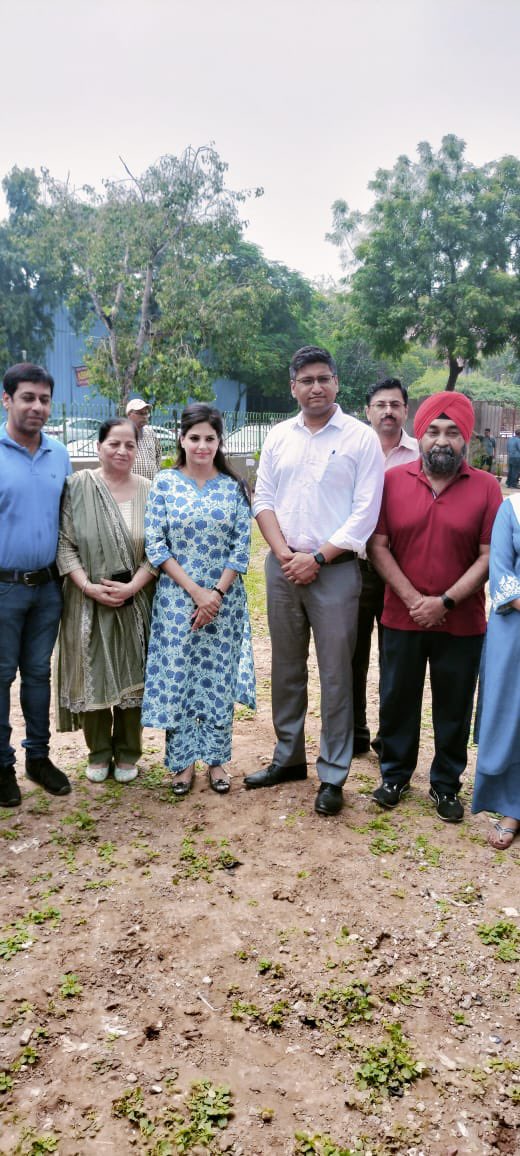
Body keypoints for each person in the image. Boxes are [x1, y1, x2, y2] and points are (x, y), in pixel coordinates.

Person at [244, 345, 384, 816]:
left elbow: (365, 514)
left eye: (324, 378)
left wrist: (317, 559)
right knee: (285, 671)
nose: (316, 387)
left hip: (337, 573)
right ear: (293, 387)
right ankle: (288, 758)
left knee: (335, 675)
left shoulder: (360, 439)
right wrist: (285, 553)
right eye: (306, 380)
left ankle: (333, 773)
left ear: (337, 383)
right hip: (283, 570)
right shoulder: (279, 436)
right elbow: (262, 497)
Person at [368, 391, 502, 823]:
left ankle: (446, 784)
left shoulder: (486, 487)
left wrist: (444, 601)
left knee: (454, 703)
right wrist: (413, 600)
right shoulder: (391, 481)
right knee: (397, 697)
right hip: (401, 615)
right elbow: (378, 545)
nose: (441, 441)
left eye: (451, 432)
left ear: (466, 440)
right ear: (418, 436)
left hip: (462, 620)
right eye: (432, 432)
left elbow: (488, 556)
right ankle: (394, 775)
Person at [141, 403, 255, 796]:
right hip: (177, 600)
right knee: (180, 678)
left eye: (210, 438)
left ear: (219, 441)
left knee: (217, 680)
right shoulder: (165, 483)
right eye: (195, 438)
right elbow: (155, 543)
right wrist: (195, 592)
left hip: (224, 603)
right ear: (181, 439)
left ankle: (218, 759)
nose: (202, 445)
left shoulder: (233, 486)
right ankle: (181, 762)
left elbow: (242, 547)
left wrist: (216, 595)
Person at [55, 418, 156, 782]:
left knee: (134, 674)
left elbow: (159, 550)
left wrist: (132, 588)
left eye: (130, 445)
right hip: (87, 600)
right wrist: (86, 586)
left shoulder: (151, 490)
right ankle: (98, 752)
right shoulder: (78, 487)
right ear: (99, 446)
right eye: (114, 443)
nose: (122, 451)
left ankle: (129, 751)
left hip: (136, 600)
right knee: (92, 671)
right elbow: (65, 544)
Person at [0, 362, 72, 808]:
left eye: (44, 399)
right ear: (6, 399)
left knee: (39, 675)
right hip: (3, 588)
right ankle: (1, 765)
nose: (37, 406)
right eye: (27, 397)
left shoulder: (58, 454)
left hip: (47, 588)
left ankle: (38, 758)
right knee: (1, 677)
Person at [352, 378, 419, 756]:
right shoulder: (352, 449)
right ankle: (355, 733)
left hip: (402, 574)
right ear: (368, 411)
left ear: (405, 411)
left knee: (396, 661)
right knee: (352, 657)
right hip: (357, 569)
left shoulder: (419, 455)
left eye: (395, 404)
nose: (388, 411)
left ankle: (388, 739)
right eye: (380, 404)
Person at [472, 493, 520, 849]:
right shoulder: (514, 508)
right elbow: (502, 573)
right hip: (514, 627)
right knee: (513, 716)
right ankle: (512, 808)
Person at [126, 399, 162, 480]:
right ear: (129, 414)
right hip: (131, 487)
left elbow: (158, 455)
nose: (145, 416)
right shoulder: (123, 434)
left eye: (146, 413)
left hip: (151, 485)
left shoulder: (150, 433)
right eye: (141, 413)